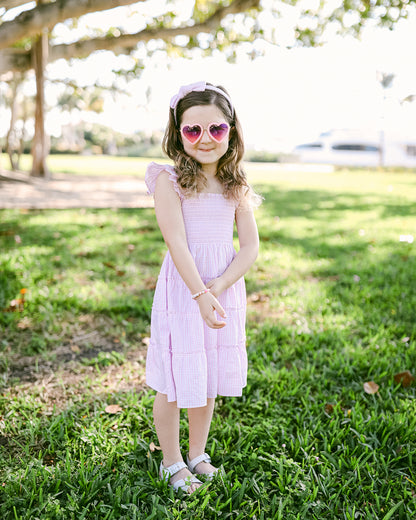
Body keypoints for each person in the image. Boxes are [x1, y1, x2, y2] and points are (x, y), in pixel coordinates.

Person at [145, 81, 260, 494]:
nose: (206, 139)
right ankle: (171, 461)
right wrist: (200, 294)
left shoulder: (235, 184)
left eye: (216, 129)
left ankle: (197, 453)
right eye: (193, 130)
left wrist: (221, 286)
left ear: (231, 130)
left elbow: (250, 247)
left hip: (221, 289)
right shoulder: (168, 179)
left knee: (207, 374)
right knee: (176, 376)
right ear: (178, 133)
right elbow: (176, 242)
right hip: (185, 289)